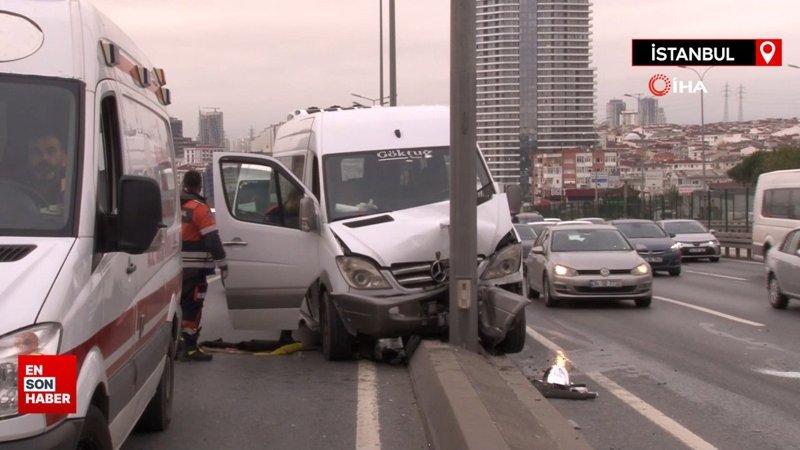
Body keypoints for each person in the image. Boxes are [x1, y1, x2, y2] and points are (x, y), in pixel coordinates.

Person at [179, 170, 228, 362]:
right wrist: (222, 262)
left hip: (175, 268)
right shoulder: (198, 208)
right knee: (193, 306)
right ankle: (189, 348)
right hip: (195, 268)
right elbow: (212, 239)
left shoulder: (175, 206)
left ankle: (178, 344)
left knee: (180, 305)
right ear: (200, 186)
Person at [25, 131, 67, 206]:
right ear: (28, 157)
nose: (44, 157)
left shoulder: (73, 189)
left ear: (63, 157)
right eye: (36, 152)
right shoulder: (15, 189)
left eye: (51, 151)